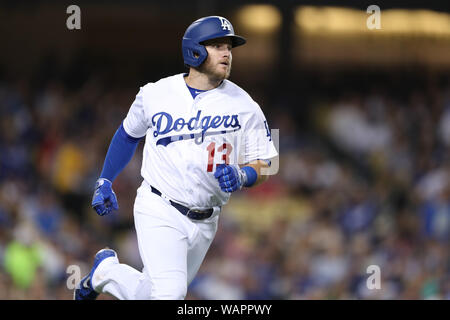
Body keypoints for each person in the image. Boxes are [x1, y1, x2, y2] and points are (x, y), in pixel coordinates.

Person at [74, 15, 278, 300]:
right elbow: (127, 134)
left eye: (229, 48)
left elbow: (269, 162)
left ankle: (106, 272)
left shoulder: (247, 105)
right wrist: (105, 179)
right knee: (171, 294)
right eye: (217, 46)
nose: (227, 54)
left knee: (151, 293)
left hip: (206, 220)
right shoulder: (155, 93)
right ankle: (107, 272)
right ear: (194, 50)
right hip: (160, 206)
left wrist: (245, 174)